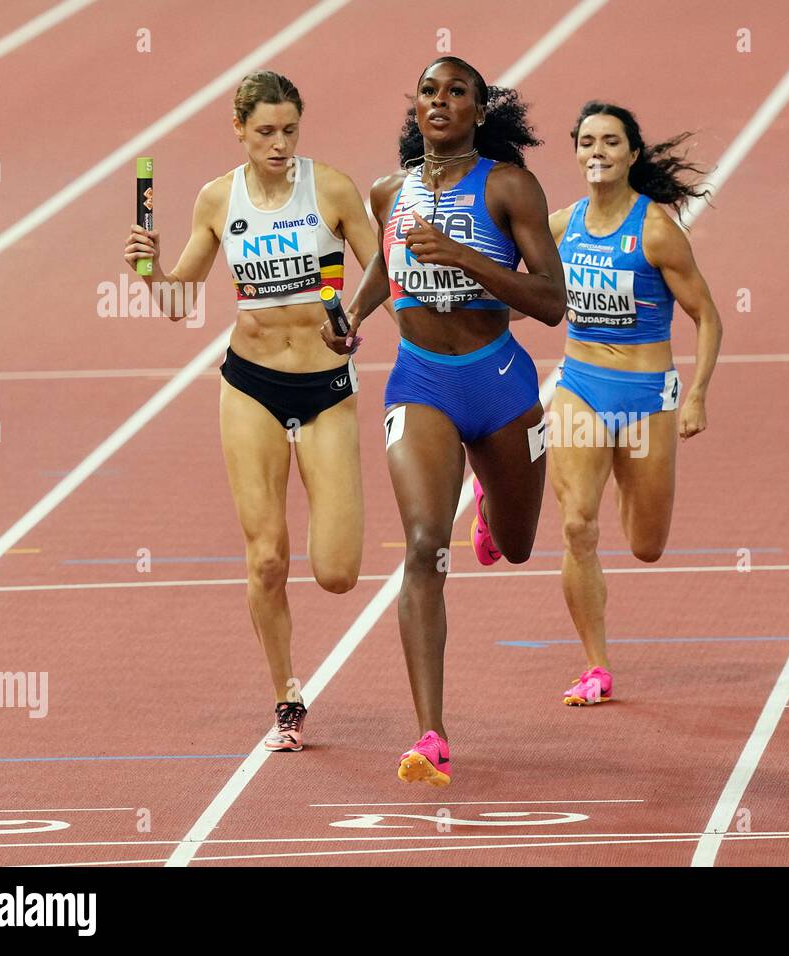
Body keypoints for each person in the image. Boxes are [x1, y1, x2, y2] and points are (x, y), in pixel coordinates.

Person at [122, 71, 379, 752]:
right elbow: (181, 303)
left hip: (325, 390)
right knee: (266, 558)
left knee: (337, 572)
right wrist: (150, 274)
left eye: (290, 130)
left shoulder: (331, 189)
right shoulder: (217, 199)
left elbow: (386, 270)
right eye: (265, 131)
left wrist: (352, 320)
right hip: (250, 386)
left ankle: (296, 668)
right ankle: (286, 697)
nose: (279, 144)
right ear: (238, 129)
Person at [345, 57, 565, 786]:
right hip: (421, 383)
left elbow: (551, 302)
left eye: (457, 92)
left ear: (478, 109)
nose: (440, 102)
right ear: (416, 108)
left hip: (500, 382)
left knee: (520, 543)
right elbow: (385, 264)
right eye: (429, 92)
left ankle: (490, 510)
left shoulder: (508, 186)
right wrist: (350, 320)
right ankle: (430, 732)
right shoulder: (389, 193)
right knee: (420, 545)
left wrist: (465, 258)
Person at [546, 102, 721, 706]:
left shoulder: (656, 231)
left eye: (611, 141)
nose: (597, 150)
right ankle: (595, 666)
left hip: (646, 399)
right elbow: (528, 298)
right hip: (581, 387)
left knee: (647, 545)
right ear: (576, 152)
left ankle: (616, 469)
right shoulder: (560, 224)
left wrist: (695, 394)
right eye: (587, 140)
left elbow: (707, 316)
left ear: (631, 154)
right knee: (576, 526)